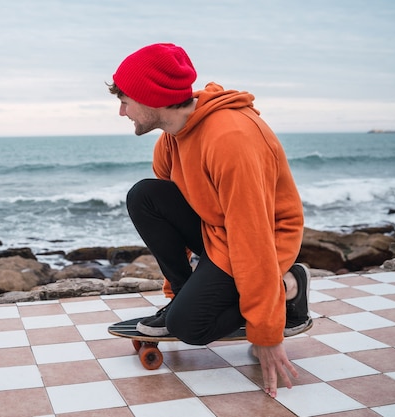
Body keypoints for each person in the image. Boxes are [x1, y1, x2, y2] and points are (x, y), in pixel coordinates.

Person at [108, 43, 312, 398]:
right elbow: (174, 218)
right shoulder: (171, 140)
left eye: (125, 100)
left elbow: (254, 237)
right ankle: (187, 298)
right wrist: (180, 292)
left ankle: (290, 284)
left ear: (151, 97)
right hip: (217, 232)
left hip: (263, 240)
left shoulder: (231, 139)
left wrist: (266, 331)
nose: (122, 111)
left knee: (189, 327)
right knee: (145, 195)